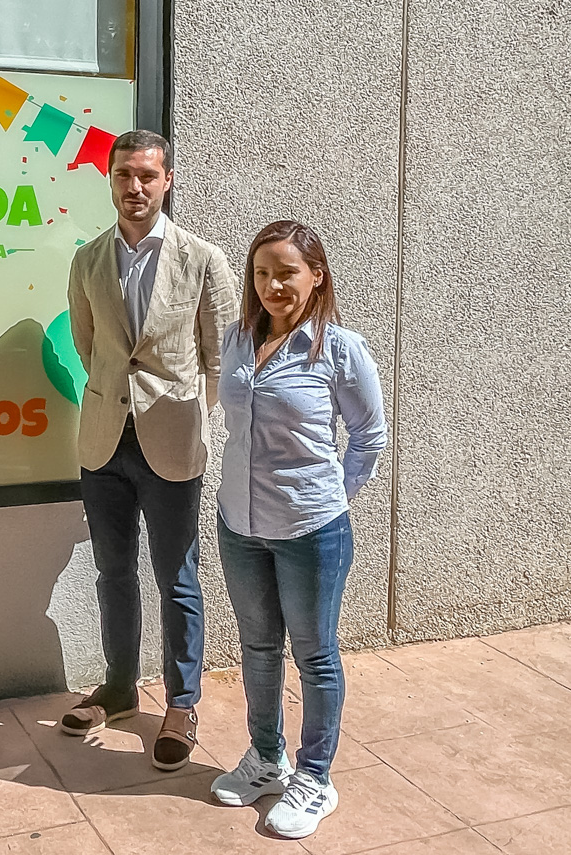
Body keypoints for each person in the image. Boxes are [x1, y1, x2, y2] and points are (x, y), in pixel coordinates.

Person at [61, 129, 238, 772]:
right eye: (122, 176)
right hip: (104, 439)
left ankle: (183, 701)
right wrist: (118, 394)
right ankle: (117, 686)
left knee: (177, 578)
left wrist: (187, 417)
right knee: (113, 571)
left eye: (147, 176)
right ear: (109, 181)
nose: (134, 188)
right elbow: (89, 346)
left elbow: (218, 359)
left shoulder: (202, 259)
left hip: (170, 440)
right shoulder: (86, 260)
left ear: (167, 182)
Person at [209, 220, 387, 838]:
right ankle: (265, 757)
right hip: (240, 523)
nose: (273, 285)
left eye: (287, 272)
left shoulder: (339, 349)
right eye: (262, 273)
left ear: (316, 276)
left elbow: (369, 438)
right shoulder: (236, 339)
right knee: (257, 649)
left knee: (314, 654)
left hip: (311, 528)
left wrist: (331, 497)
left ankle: (315, 777)